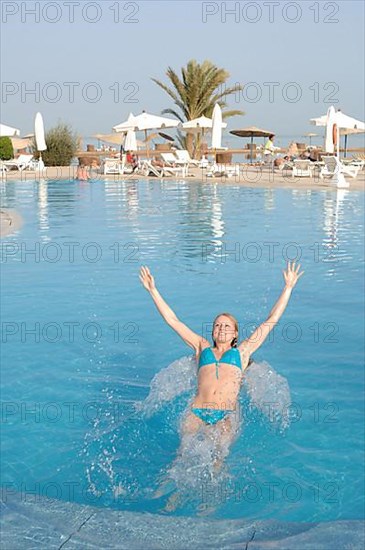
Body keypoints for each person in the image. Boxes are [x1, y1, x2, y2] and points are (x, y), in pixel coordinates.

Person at [139, 262, 304, 474]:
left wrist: (288, 288)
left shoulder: (242, 353)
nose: (221, 329)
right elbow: (173, 321)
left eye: (227, 326)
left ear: (235, 333)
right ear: (212, 331)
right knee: (180, 457)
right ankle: (168, 498)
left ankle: (209, 506)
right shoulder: (201, 347)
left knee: (218, 461)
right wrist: (153, 290)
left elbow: (271, 321)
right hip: (196, 412)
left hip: (226, 415)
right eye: (217, 325)